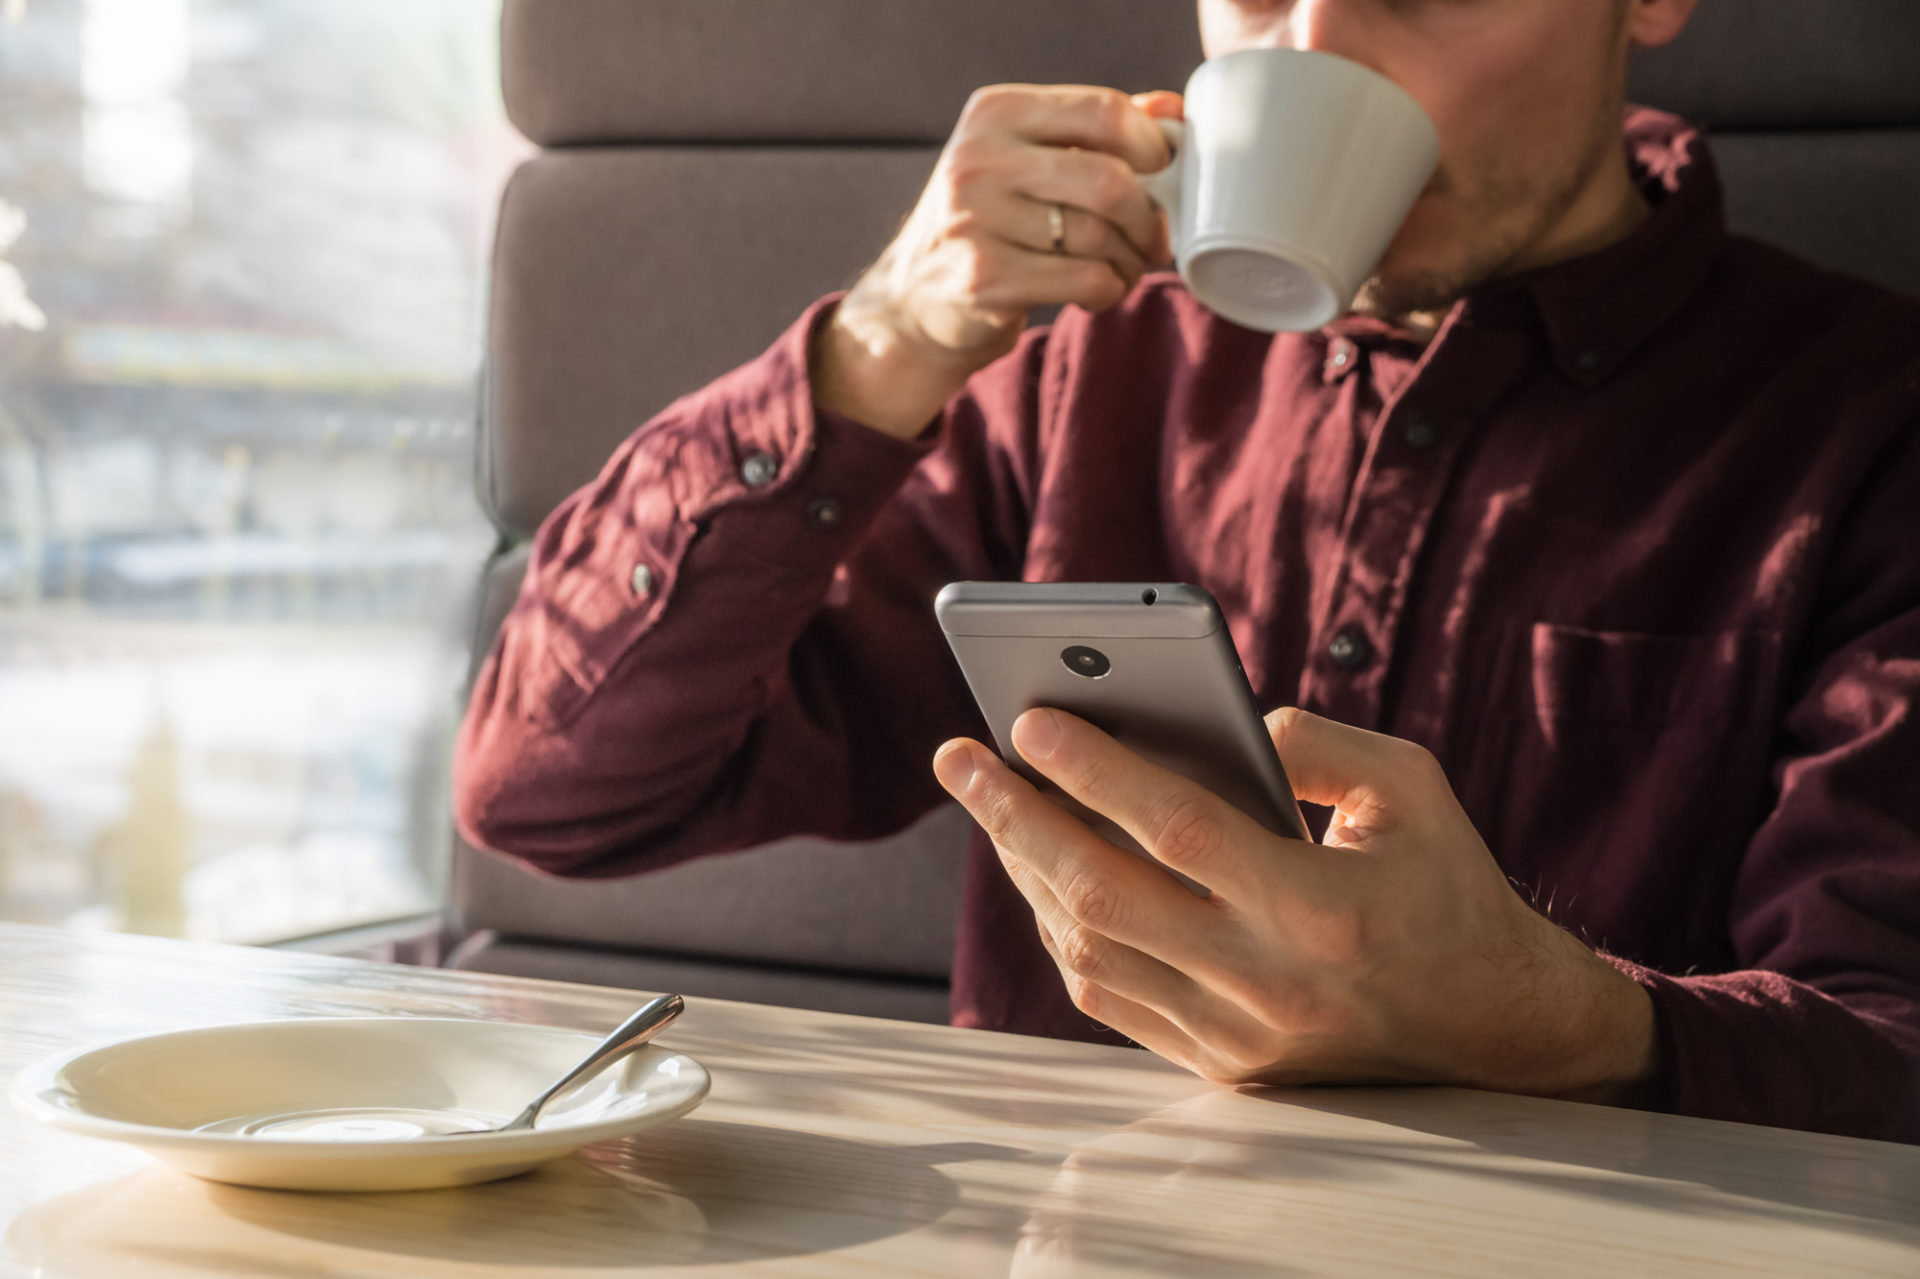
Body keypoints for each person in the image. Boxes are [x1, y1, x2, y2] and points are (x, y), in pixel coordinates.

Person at [453, 0, 1920, 1142]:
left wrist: (1563, 1025)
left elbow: (1894, 1050)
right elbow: (552, 792)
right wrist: (880, 343)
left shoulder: (1865, 426)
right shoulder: (1080, 369)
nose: (1322, 49)